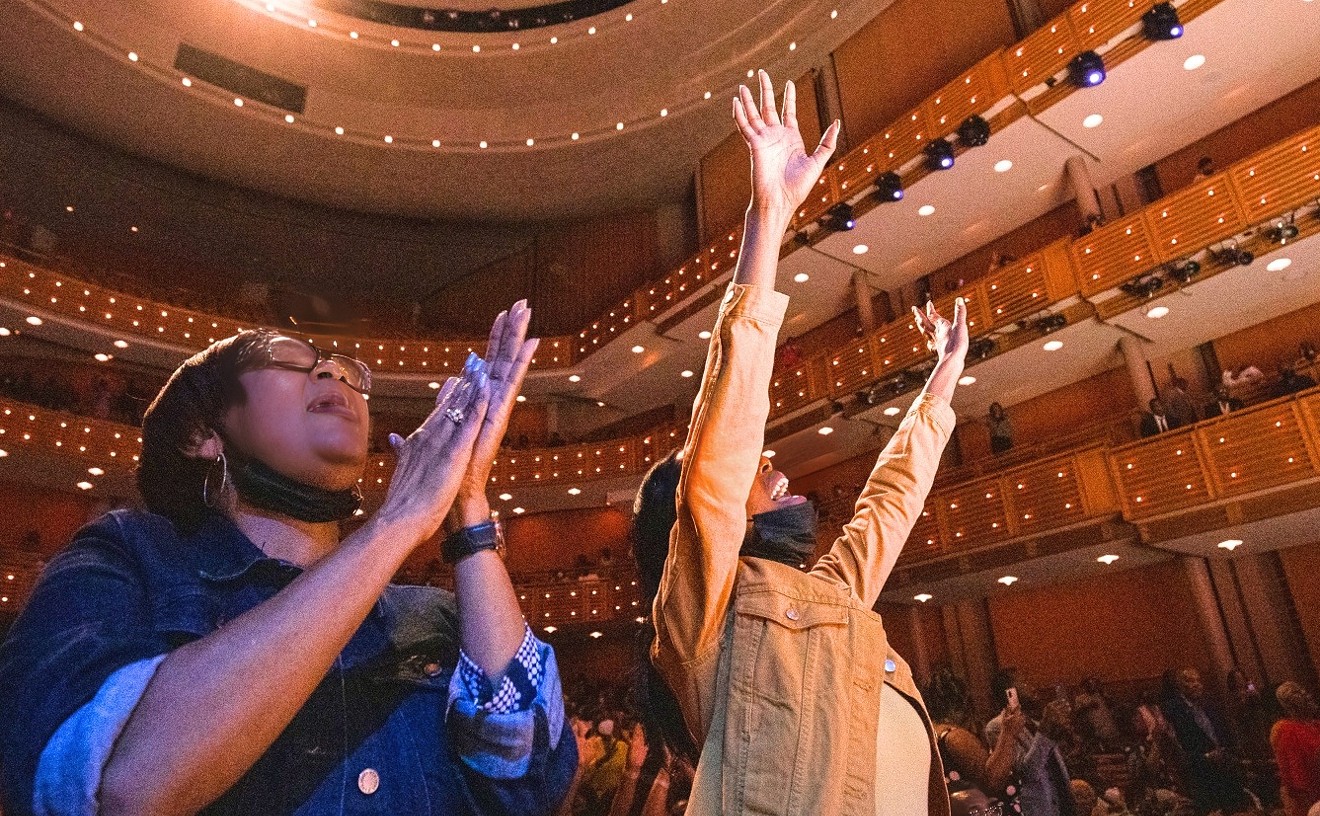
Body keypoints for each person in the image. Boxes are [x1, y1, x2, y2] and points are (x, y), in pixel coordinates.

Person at [0, 303, 576, 814]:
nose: (333, 373)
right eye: (288, 361)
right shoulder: (126, 557)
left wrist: (467, 505)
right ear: (204, 432)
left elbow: (528, 783)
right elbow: (116, 786)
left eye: (350, 373)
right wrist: (397, 522)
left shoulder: (432, 613)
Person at [647, 71, 968, 816]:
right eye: (760, 471)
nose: (775, 467)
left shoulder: (830, 596)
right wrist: (769, 216)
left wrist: (941, 386)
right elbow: (718, 463)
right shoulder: (706, 617)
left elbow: (888, 510)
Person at [1160, 667, 1252, 815]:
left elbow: (1224, 733)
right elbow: (1177, 750)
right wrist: (1206, 757)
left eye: (1197, 680)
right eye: (1190, 681)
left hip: (1225, 769)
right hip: (1202, 775)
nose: (1196, 684)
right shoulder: (1174, 712)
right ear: (1180, 686)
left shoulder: (1209, 705)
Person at [1271, 681, 1320, 816]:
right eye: (1297, 693)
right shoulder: (1287, 730)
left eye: (1302, 690)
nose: (1306, 695)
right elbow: (1296, 778)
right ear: (1289, 705)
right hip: (1310, 799)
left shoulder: (1316, 725)